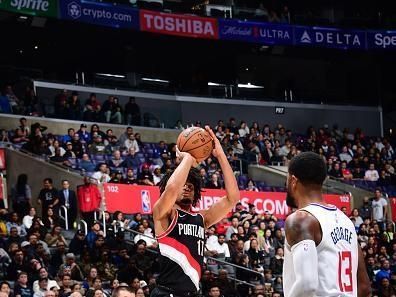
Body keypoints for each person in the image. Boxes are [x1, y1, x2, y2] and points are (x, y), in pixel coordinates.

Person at [150, 126, 239, 297]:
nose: (187, 188)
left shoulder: (201, 218)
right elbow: (172, 189)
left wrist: (220, 155)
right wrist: (188, 159)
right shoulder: (163, 213)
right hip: (167, 293)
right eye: (184, 185)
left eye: (191, 186)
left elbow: (232, 198)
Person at [282, 152, 371, 297]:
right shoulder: (346, 221)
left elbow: (306, 285)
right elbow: (364, 287)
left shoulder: (301, 219)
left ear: (293, 181)